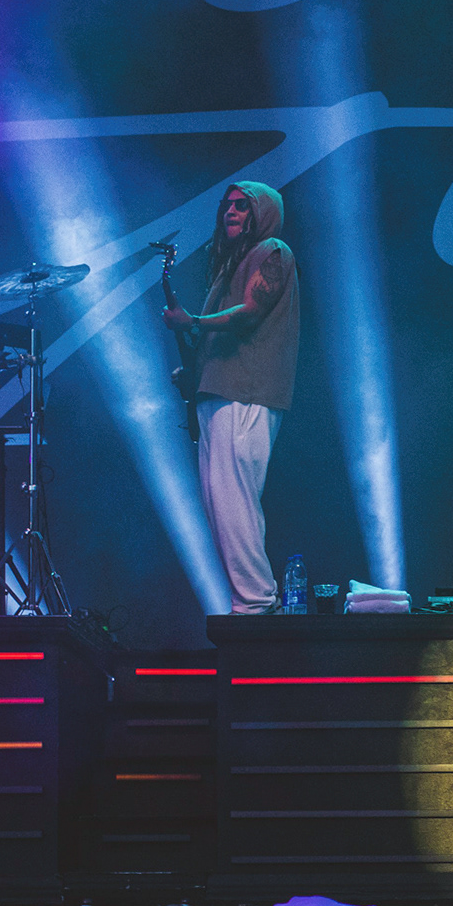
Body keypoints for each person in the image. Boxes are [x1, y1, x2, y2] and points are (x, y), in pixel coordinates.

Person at [164, 182, 300, 615]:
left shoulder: (272, 251)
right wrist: (194, 372)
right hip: (220, 391)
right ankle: (251, 601)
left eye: (243, 206)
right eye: (228, 206)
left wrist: (193, 320)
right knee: (220, 506)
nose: (232, 212)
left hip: (247, 392)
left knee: (233, 502)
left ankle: (257, 602)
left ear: (264, 214)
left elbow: (250, 312)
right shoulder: (229, 266)